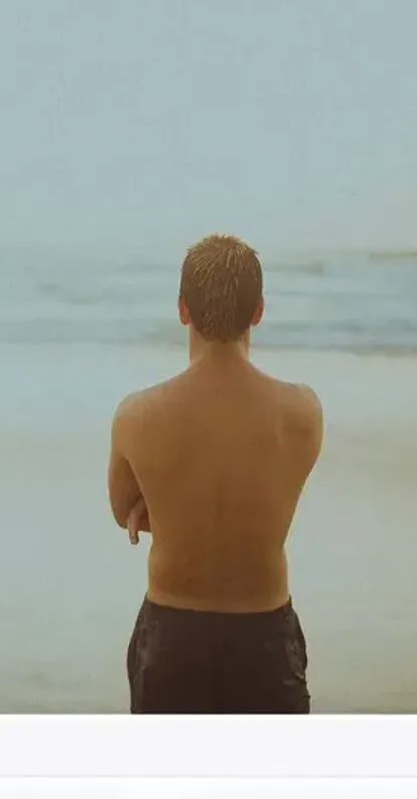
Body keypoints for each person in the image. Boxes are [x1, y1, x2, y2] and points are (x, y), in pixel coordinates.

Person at [108, 234, 324, 713]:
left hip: (172, 633)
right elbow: (280, 482)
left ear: (183, 310)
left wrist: (164, 501)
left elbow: (123, 509)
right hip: (265, 633)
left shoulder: (137, 415)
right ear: (259, 311)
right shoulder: (302, 411)